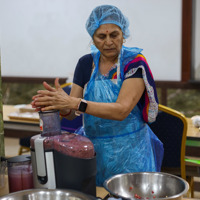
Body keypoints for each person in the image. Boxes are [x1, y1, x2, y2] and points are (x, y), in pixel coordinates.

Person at [31, 5, 164, 186]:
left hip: (131, 153)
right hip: (94, 151)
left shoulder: (133, 63)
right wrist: (60, 104)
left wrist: (75, 102)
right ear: (92, 38)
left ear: (123, 33)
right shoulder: (85, 64)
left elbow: (121, 111)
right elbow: (71, 113)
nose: (108, 42)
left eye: (114, 35)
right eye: (101, 36)